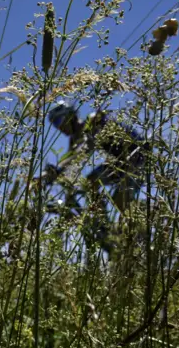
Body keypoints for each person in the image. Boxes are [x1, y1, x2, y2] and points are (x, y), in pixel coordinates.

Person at [40, 101, 149, 249]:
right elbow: (70, 159)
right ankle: (104, 226)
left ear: (70, 116)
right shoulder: (74, 139)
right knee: (90, 182)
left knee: (119, 200)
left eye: (59, 120)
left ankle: (136, 237)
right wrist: (50, 173)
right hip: (119, 162)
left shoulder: (93, 121)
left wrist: (58, 170)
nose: (58, 127)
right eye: (54, 124)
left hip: (137, 157)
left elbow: (85, 149)